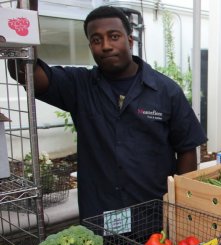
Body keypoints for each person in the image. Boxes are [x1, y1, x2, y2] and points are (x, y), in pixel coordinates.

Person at [9, 4, 207, 221]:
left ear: (130, 40)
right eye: (96, 40)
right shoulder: (79, 86)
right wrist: (22, 22)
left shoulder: (165, 91)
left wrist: (181, 205)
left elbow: (187, 148)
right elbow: (25, 72)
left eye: (114, 36)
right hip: (101, 217)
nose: (105, 46)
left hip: (154, 216)